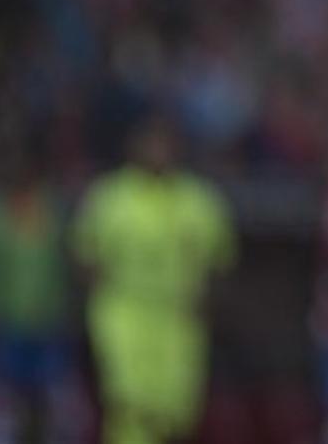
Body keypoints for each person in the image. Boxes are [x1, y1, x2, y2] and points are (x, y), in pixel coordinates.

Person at [73, 113, 236, 444]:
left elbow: (220, 259)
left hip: (179, 317)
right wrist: (100, 299)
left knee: (175, 412)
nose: (158, 151)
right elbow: (85, 253)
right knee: (131, 403)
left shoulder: (198, 200)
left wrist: (208, 302)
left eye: (165, 144)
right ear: (134, 148)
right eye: (151, 144)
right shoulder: (110, 197)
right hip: (125, 312)